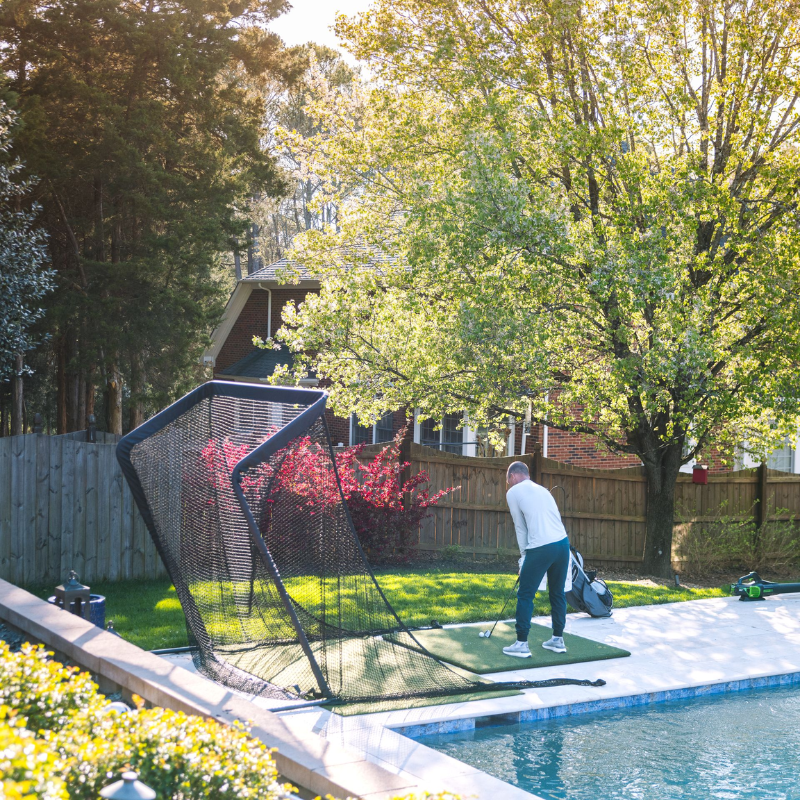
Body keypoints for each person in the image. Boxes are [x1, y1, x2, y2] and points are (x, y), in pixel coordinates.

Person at [502, 460, 570, 658]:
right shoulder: (543, 490)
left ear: (513, 476)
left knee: (525, 594)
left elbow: (520, 527)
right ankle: (558, 640)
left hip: (541, 547)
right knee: (557, 593)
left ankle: (521, 643)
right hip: (562, 544)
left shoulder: (513, 492)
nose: (510, 485)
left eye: (509, 481)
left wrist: (524, 558)